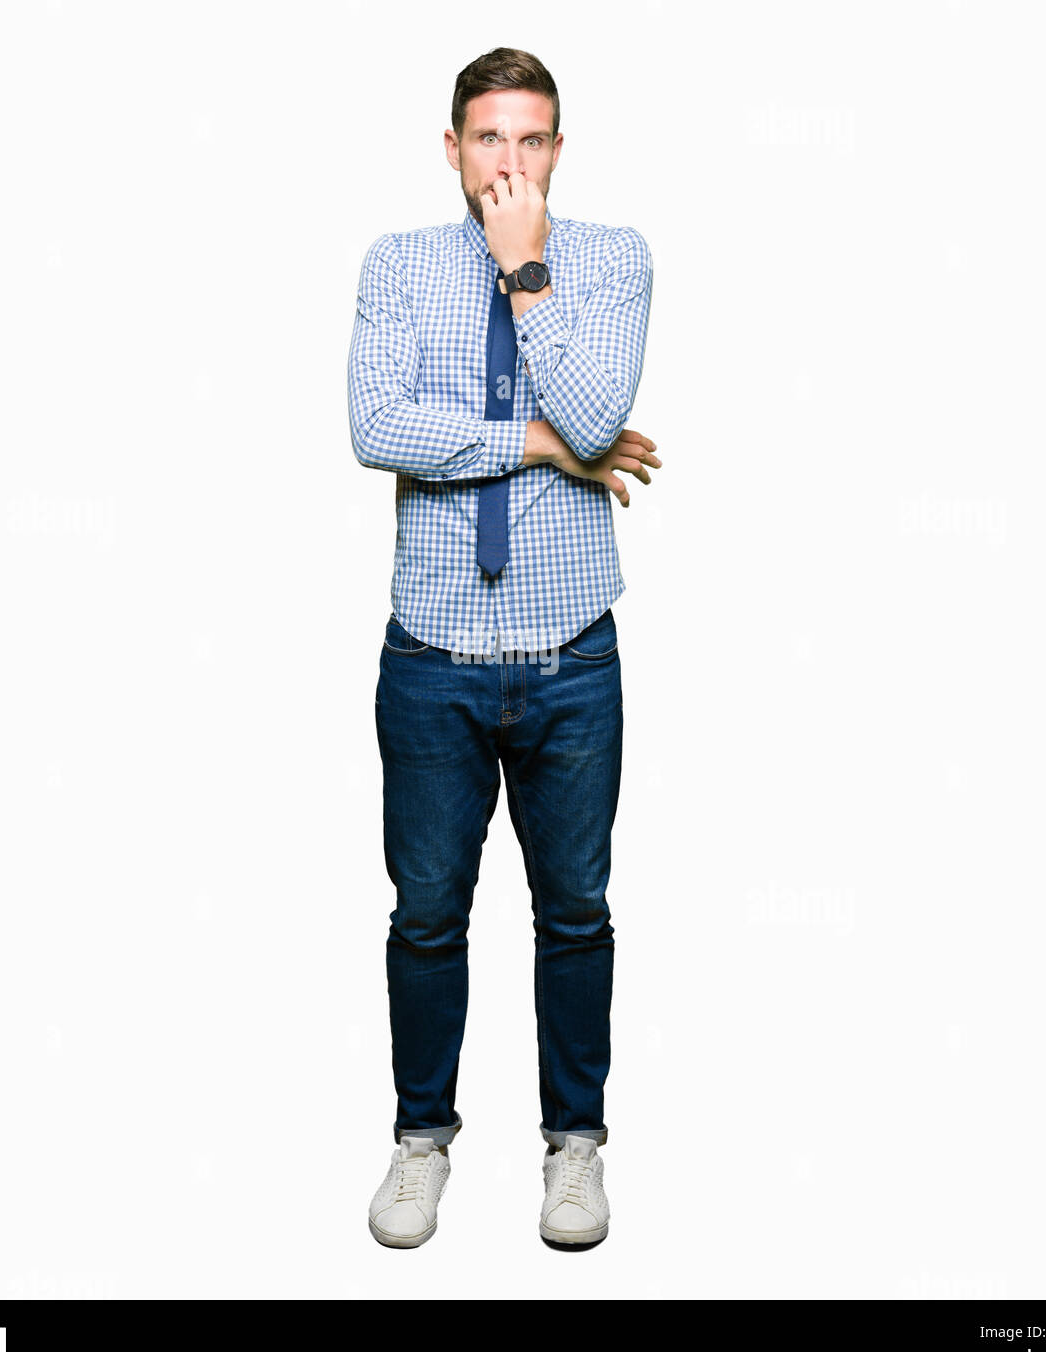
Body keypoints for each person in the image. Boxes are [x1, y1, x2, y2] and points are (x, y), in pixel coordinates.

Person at [347, 47, 659, 1250]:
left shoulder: (611, 261)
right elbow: (379, 426)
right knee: (427, 911)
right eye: (489, 140)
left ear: (558, 152)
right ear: (451, 148)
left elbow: (600, 411)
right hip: (431, 653)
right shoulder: (398, 266)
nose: (508, 163)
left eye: (530, 142)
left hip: (571, 656)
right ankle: (421, 1140)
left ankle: (572, 1146)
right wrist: (540, 444)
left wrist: (527, 276)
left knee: (574, 909)